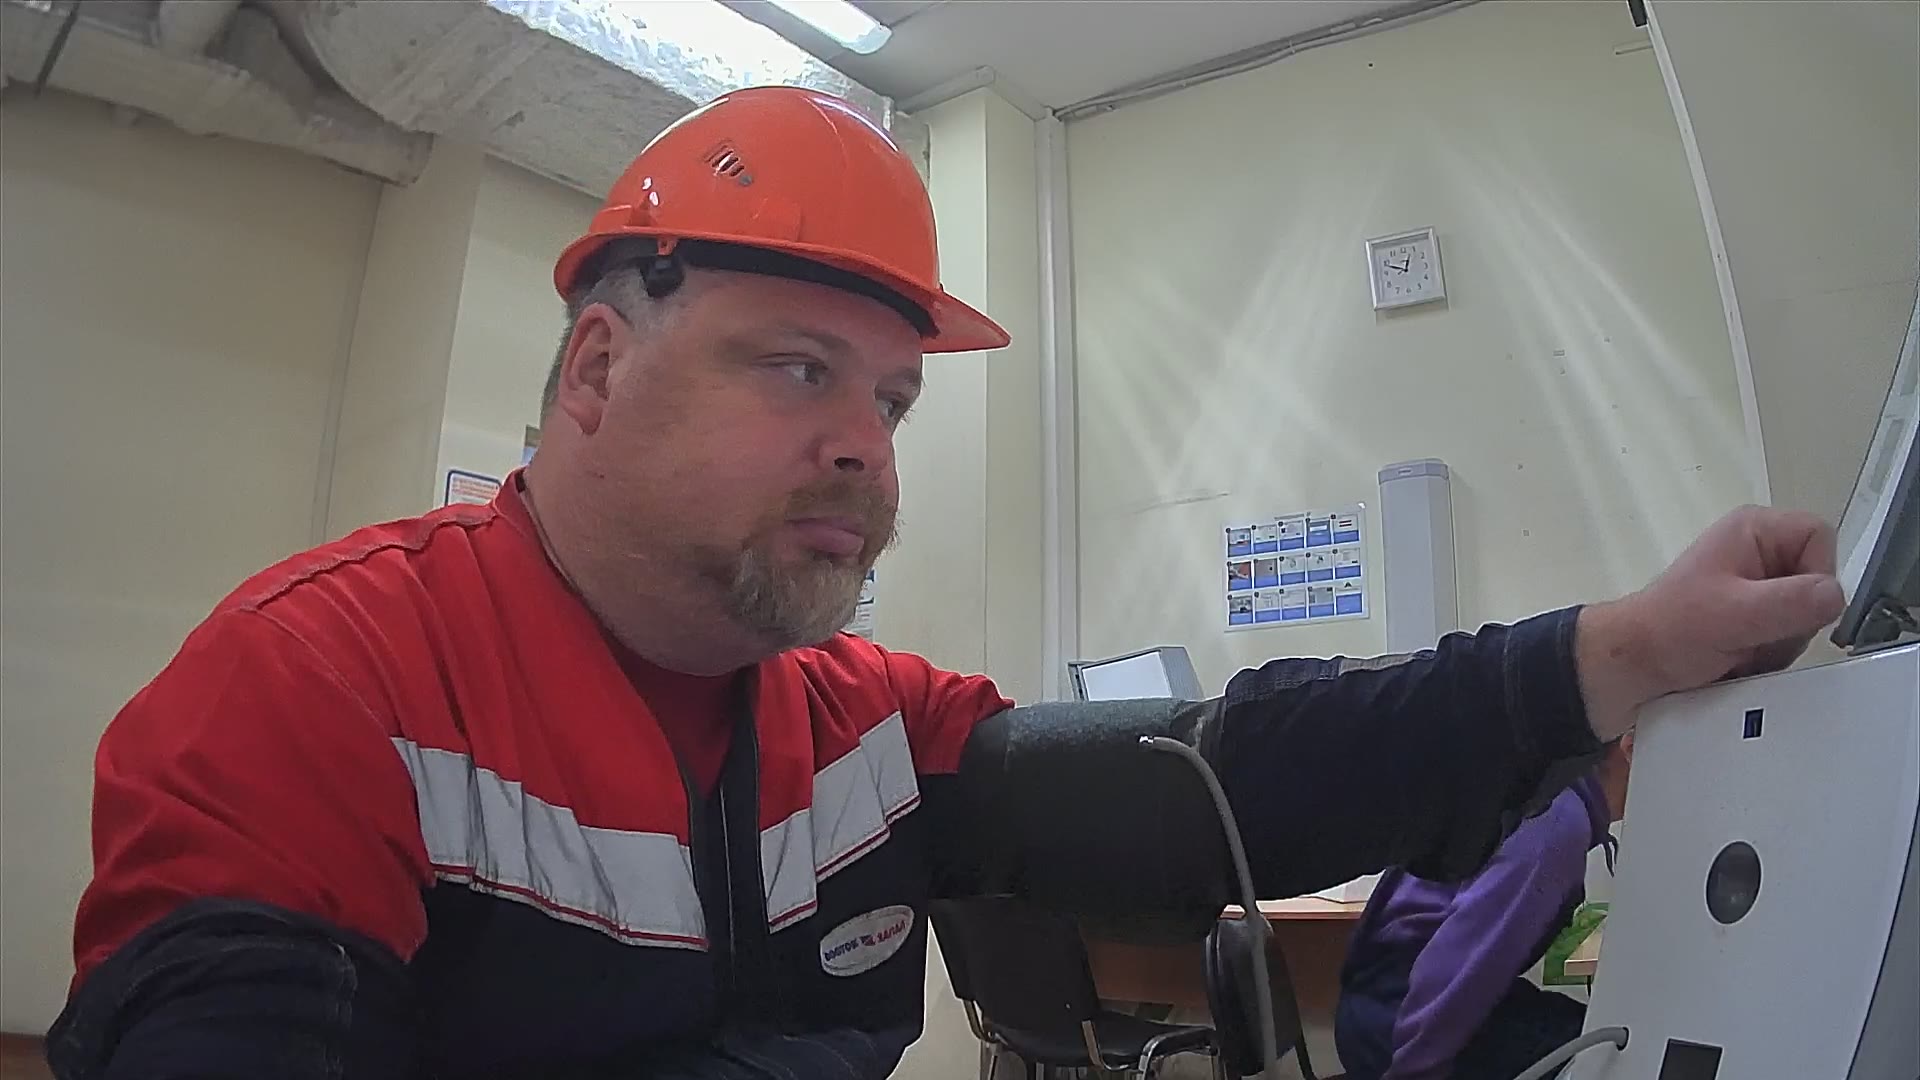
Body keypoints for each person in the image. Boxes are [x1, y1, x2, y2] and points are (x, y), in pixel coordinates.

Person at [44, 86, 1842, 1080]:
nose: (865, 445)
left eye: (891, 401)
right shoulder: (320, 684)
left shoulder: (862, 727)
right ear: (595, 368)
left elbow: (1219, 772)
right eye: (796, 369)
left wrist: (1608, 655)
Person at [1335, 736, 1634, 1080]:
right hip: (1400, 1022)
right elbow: (1455, 966)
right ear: (1630, 746)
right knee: (1614, 1058)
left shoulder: (1545, 790)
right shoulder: (1557, 821)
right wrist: (1413, 1070)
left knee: (1600, 1032)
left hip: (1387, 1003)